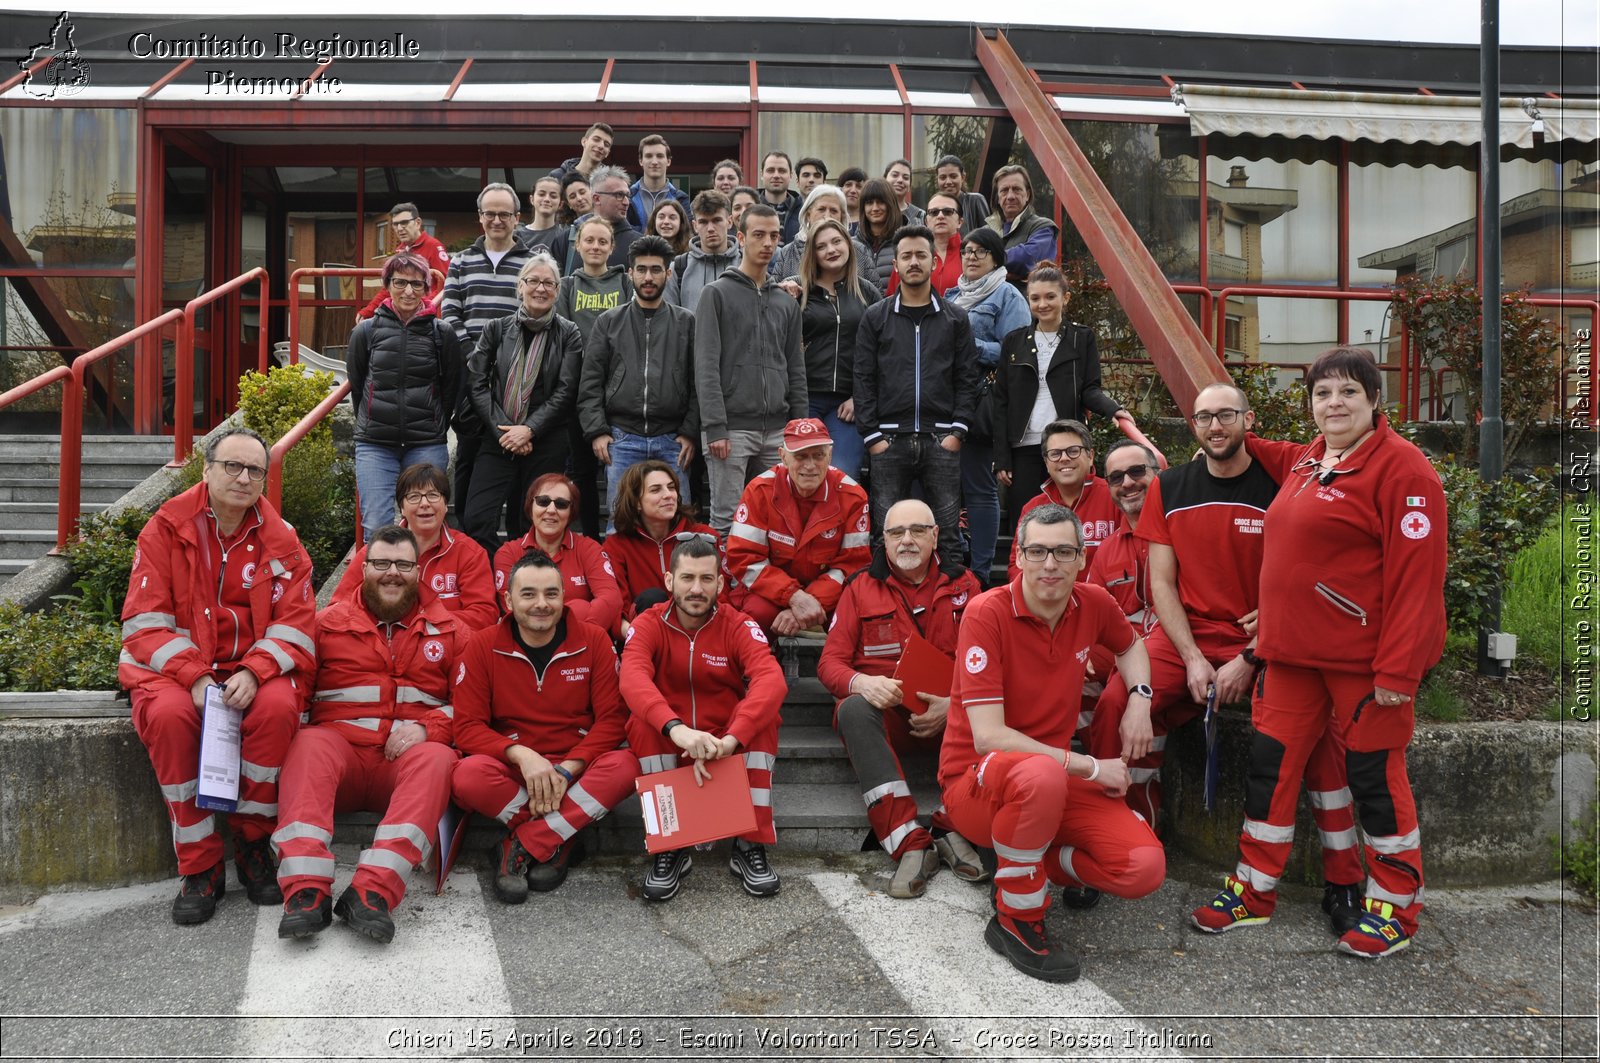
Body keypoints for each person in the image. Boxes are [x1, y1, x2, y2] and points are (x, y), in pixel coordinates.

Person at [1192, 348, 1446, 960]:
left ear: (1374, 401)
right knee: (1269, 771)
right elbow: (1246, 446)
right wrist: (1217, 430)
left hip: (1362, 664)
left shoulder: (1404, 472)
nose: (1334, 404)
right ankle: (1253, 891)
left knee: (1375, 782)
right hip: (1289, 656)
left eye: (1348, 393)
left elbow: (1419, 581)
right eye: (1323, 394)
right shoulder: (1312, 457)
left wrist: (1399, 672)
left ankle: (1394, 909)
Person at [1097, 382, 1363, 921]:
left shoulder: (1287, 481)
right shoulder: (1168, 486)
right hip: (1188, 636)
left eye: (1225, 415)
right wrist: (1193, 657)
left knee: (1322, 740)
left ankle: (1345, 878)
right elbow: (1163, 587)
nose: (1215, 427)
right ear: (1191, 427)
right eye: (1203, 418)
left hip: (1273, 638)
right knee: (1116, 703)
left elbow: (1315, 563)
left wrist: (1256, 649)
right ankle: (1117, 837)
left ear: (1248, 419)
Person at [939, 503, 1165, 982]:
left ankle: (1026, 858)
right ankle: (1016, 919)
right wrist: (1088, 767)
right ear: (1017, 557)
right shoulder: (986, 612)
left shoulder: (1093, 603)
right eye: (1037, 551)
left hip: (1051, 778)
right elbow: (990, 736)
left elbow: (1131, 646)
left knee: (1142, 869)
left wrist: (1140, 701)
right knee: (1040, 773)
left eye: (1063, 552)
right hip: (977, 785)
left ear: (1082, 558)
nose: (1050, 565)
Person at [120, 427, 313, 925]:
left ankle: (253, 843)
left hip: (253, 668)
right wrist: (195, 677)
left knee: (276, 709)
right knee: (167, 716)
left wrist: (256, 668)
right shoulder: (165, 528)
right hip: (177, 669)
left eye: (254, 470)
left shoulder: (284, 540)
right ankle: (201, 865)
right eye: (232, 465)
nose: (243, 478)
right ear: (206, 470)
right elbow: (144, 624)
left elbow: (297, 623)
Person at [273, 526, 466, 944]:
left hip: (404, 769)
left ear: (420, 570)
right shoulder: (324, 625)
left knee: (438, 758)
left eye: (403, 564)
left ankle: (372, 891)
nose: (391, 573)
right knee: (307, 743)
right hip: (339, 760)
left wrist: (428, 727)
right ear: (363, 569)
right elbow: (295, 697)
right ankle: (305, 891)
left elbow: (474, 709)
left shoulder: (454, 631)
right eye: (380, 563)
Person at [818, 499, 987, 898]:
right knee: (853, 708)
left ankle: (953, 827)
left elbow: (991, 664)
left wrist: (955, 704)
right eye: (896, 533)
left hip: (954, 724)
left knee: (997, 703)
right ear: (884, 540)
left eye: (916, 531)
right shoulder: (859, 587)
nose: (906, 540)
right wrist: (861, 682)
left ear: (935, 536)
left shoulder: (968, 585)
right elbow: (829, 663)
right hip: (889, 720)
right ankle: (908, 840)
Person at [452, 551, 640, 903]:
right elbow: (466, 728)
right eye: (529, 594)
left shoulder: (595, 640)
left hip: (575, 769)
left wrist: (568, 769)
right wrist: (521, 755)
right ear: (508, 599)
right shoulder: (481, 645)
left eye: (551, 594)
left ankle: (523, 843)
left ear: (564, 596)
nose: (542, 604)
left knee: (627, 766)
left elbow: (613, 720)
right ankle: (562, 836)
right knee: (466, 776)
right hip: (514, 769)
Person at [619, 536, 788, 900]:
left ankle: (749, 844)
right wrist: (676, 730)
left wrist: (732, 739)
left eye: (707, 579)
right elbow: (632, 678)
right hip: (674, 738)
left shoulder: (738, 624)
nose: (697, 589)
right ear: (669, 581)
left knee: (765, 720)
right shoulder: (648, 624)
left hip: (724, 740)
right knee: (641, 722)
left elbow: (771, 679)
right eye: (687, 578)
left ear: (720, 583)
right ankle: (670, 846)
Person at [855, 224, 980, 569]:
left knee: (948, 532)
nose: (914, 262)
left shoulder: (956, 319)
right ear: (894, 264)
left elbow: (967, 377)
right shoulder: (875, 317)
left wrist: (958, 431)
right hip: (888, 440)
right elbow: (863, 378)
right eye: (906, 255)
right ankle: (884, 602)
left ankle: (955, 604)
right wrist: (872, 435)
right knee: (885, 531)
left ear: (934, 262)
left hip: (941, 438)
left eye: (921, 255)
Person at [992, 262, 1139, 531]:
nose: (1042, 304)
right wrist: (1002, 456)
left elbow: (1090, 389)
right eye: (1035, 298)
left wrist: (1113, 409)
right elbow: (1001, 400)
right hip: (1024, 446)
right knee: (1025, 521)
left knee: (1072, 516)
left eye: (1050, 296)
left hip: (1066, 446)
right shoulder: (1014, 342)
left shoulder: (1081, 338)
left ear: (1065, 298)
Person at [694, 204, 807, 534]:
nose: (768, 243)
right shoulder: (715, 294)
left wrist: (798, 430)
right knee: (727, 520)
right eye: (759, 235)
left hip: (777, 431)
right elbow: (706, 366)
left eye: (774, 236)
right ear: (740, 238)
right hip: (730, 429)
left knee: (777, 520)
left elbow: (795, 369)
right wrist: (715, 426)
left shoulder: (786, 302)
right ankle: (726, 586)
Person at [462, 252, 582, 558]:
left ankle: (526, 582)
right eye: (533, 281)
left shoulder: (569, 333)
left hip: (546, 440)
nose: (540, 289)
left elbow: (566, 390)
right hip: (497, 436)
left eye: (548, 283)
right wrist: (506, 430)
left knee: (530, 521)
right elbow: (476, 381)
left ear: (557, 290)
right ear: (520, 286)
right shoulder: (496, 329)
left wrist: (529, 430)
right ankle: (492, 578)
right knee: (477, 517)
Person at [580, 235, 698, 517]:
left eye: (656, 270)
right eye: (642, 269)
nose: (648, 277)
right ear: (630, 272)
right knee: (620, 524)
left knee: (678, 523)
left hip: (672, 441)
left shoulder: (686, 322)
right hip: (622, 439)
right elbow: (591, 381)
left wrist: (690, 432)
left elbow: (698, 383)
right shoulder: (609, 321)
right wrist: (597, 431)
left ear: (668, 274)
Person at [346, 252, 461, 539]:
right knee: (376, 525)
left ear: (426, 289)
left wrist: (437, 424)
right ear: (387, 285)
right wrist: (371, 418)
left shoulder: (441, 333)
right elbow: (358, 384)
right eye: (399, 282)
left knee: (426, 523)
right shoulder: (366, 331)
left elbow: (452, 388)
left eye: (416, 284)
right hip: (375, 443)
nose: (408, 291)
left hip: (426, 441)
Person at [725, 417, 871, 635]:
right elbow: (744, 558)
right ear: (782, 456)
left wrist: (811, 601)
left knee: (856, 613)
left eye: (818, 455)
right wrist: (793, 596)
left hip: (827, 593)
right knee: (756, 613)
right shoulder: (759, 491)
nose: (810, 466)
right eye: (801, 456)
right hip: (770, 591)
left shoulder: (853, 496)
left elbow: (852, 565)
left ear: (830, 455)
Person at [441, 182, 535, 521]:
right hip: (472, 370)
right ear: (480, 218)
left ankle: (515, 533)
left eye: (504, 214)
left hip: (518, 372)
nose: (497, 220)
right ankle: (466, 528)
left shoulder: (532, 261)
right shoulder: (461, 262)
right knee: (467, 451)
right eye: (490, 214)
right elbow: (450, 314)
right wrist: (475, 357)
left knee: (513, 452)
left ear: (517, 218)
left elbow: (534, 311)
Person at [946, 227, 1029, 586]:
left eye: (981, 251)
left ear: (996, 256)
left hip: (981, 404)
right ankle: (949, 566)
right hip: (944, 404)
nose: (972, 256)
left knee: (979, 487)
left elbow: (1017, 351)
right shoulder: (950, 295)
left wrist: (968, 346)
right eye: (966, 250)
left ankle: (980, 573)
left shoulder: (1008, 294)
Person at [332, 463, 498, 631]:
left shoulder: (469, 553)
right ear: (402, 508)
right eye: (414, 497)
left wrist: (422, 624)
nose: (424, 503)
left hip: (447, 649)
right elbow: (338, 608)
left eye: (433, 495)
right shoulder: (374, 551)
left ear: (446, 504)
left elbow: (484, 614)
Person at [796, 218, 881, 481]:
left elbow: (882, 351)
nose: (831, 250)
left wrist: (860, 396)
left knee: (843, 473)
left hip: (848, 403)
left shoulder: (867, 293)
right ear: (813, 254)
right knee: (805, 473)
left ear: (848, 244)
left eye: (836, 241)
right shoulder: (799, 292)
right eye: (821, 246)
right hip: (806, 398)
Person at [491, 473, 623, 635]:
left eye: (561, 504)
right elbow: (512, 609)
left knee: (580, 609)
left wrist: (576, 631)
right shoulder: (508, 553)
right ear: (530, 507)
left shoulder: (590, 549)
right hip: (529, 642)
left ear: (571, 512)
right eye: (543, 501)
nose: (551, 510)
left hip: (582, 640)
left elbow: (610, 598)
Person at [1004, 419, 1122, 582]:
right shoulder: (1033, 508)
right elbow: (1017, 567)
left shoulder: (1115, 497)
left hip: (1105, 603)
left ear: (1090, 456)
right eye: (1055, 453)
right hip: (1049, 602)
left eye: (1073, 451)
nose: (1064, 458)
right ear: (1046, 462)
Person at [603, 459, 718, 622]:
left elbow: (722, 596)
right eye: (656, 490)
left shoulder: (705, 537)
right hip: (644, 632)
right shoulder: (616, 545)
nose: (668, 495)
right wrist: (638, 636)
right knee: (651, 598)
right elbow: (617, 607)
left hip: (698, 628)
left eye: (671, 487)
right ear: (636, 502)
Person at [357, 203, 450, 319]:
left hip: (426, 320)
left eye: (404, 223)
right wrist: (368, 311)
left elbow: (447, 285)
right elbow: (389, 288)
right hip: (405, 315)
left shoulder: (434, 246)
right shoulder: (400, 251)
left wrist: (423, 308)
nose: (400, 228)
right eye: (395, 224)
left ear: (418, 223)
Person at [768, 184, 874, 286]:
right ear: (808, 214)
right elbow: (775, 295)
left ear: (842, 217)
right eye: (821, 209)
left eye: (834, 210)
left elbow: (875, 298)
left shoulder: (860, 251)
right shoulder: (787, 253)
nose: (827, 216)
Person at [549, 165, 640, 275]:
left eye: (627, 195)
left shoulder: (639, 244)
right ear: (596, 199)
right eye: (619, 195)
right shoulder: (566, 241)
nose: (626, 202)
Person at [555, 218, 634, 338]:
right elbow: (562, 335)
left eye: (602, 242)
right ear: (578, 244)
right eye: (589, 240)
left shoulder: (626, 283)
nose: (595, 247)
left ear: (611, 247)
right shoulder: (566, 286)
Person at [666, 190, 741, 313]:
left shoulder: (745, 264)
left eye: (717, 220)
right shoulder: (679, 268)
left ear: (729, 222)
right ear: (695, 226)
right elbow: (670, 321)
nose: (710, 228)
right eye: (703, 222)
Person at [986, 165, 1059, 283]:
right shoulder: (985, 231)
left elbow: (1025, 259)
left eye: (1016, 189)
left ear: (1028, 194)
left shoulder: (1043, 227)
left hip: (1027, 300)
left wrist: (987, 263)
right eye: (1004, 190)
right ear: (997, 198)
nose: (1010, 196)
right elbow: (969, 264)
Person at [887, 191, 961, 297]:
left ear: (960, 221)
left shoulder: (971, 254)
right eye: (934, 212)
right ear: (926, 221)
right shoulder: (908, 255)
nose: (940, 216)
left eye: (948, 211)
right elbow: (892, 298)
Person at [627, 133, 691, 231]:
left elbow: (687, 233)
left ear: (668, 161)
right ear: (641, 161)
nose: (654, 162)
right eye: (648, 156)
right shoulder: (627, 197)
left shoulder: (681, 198)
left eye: (660, 156)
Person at [856, 179, 905, 292]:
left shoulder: (904, 242)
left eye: (880, 202)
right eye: (869, 203)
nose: (875, 208)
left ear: (890, 204)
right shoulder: (852, 245)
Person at [933, 155, 991, 236]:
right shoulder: (933, 208)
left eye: (953, 176)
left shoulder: (975, 201)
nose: (948, 181)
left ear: (963, 177)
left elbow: (988, 236)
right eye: (943, 177)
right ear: (937, 180)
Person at [548, 121, 614, 185]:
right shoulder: (558, 177)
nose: (601, 146)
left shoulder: (610, 183)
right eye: (596, 140)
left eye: (606, 144)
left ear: (608, 153)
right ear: (584, 141)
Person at [758, 151, 802, 243]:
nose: (776, 175)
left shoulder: (803, 211)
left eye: (782, 171)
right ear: (762, 175)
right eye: (770, 170)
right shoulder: (749, 207)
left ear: (790, 175)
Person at [521, 176, 564, 252]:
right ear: (532, 199)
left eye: (553, 196)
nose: (547, 199)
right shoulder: (518, 237)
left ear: (560, 204)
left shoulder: (564, 238)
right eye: (541, 194)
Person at [882, 159, 924, 226]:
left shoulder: (920, 215)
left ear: (909, 186)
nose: (900, 180)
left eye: (906, 178)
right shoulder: (875, 212)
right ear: (884, 179)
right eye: (895, 175)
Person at [837, 166, 868, 234]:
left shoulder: (869, 222)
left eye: (859, 186)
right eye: (848, 185)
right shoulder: (833, 219)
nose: (853, 190)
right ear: (840, 189)